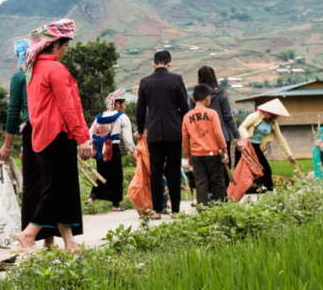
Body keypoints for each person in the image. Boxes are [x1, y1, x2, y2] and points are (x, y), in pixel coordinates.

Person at [13, 20, 92, 252]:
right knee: (56, 189)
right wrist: (82, 137)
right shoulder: (56, 69)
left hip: (41, 135)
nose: (65, 50)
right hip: (58, 134)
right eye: (65, 45)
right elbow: (69, 107)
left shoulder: (33, 69)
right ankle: (29, 234)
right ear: (57, 44)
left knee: (60, 187)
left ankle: (69, 242)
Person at [0, 39, 56, 246]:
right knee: (49, 183)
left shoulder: (20, 76)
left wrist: (7, 145)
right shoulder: (46, 72)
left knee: (33, 185)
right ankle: (49, 239)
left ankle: (28, 236)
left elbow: (13, 112)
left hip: (32, 133)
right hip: (51, 132)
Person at [136, 50, 190, 216]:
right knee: (174, 170)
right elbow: (185, 106)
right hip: (174, 132)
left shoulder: (145, 82)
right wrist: (181, 123)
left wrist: (140, 130)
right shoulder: (176, 79)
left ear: (153, 63)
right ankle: (175, 210)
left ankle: (158, 210)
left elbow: (140, 109)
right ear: (169, 63)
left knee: (156, 171)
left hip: (154, 133)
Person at [182, 84, 230, 205]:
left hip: (196, 155)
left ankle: (203, 211)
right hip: (213, 153)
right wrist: (224, 150)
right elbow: (218, 134)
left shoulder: (187, 117)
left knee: (201, 183)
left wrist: (188, 155)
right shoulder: (212, 113)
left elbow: (185, 138)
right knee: (217, 182)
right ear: (206, 99)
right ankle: (219, 208)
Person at [89, 88, 136, 210]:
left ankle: (92, 196)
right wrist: (133, 150)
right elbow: (127, 138)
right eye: (123, 103)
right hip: (113, 148)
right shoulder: (122, 117)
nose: (125, 105)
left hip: (100, 148)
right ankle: (115, 205)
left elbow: (90, 132)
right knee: (116, 176)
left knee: (101, 173)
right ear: (117, 104)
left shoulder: (99, 117)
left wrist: (90, 146)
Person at [238, 98, 298, 191]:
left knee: (265, 170)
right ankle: (261, 189)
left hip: (257, 147)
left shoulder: (273, 123)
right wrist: (246, 138)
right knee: (254, 170)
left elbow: (280, 138)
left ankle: (266, 190)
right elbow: (242, 127)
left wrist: (289, 154)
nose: (274, 116)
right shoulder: (254, 116)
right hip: (247, 146)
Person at [196, 66, 238, 161]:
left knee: (207, 170)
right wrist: (237, 135)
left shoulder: (195, 97)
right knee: (224, 169)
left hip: (202, 138)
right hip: (222, 137)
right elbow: (228, 117)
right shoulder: (221, 94)